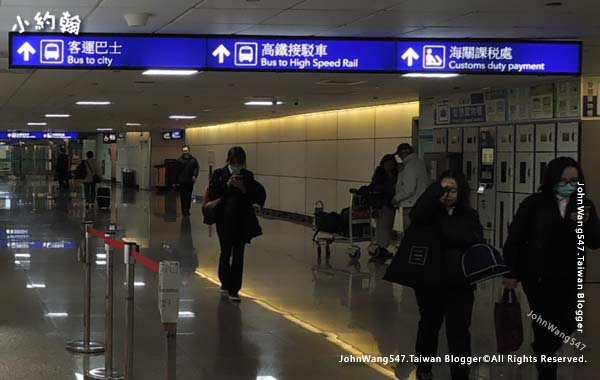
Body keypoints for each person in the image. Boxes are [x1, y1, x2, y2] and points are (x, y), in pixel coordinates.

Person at [503, 157, 600, 380]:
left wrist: (586, 223)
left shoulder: (584, 205)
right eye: (563, 180)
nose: (568, 184)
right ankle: (547, 372)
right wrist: (511, 272)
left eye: (573, 180)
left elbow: (595, 241)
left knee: (568, 322)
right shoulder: (534, 204)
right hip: (538, 277)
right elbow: (515, 239)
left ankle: (543, 349)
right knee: (544, 325)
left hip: (570, 275)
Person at [408, 170, 483, 380]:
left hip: (460, 283)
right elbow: (415, 214)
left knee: (459, 331)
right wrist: (434, 193)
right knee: (429, 325)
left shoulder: (468, 215)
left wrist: (448, 235)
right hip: (429, 282)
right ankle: (424, 368)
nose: (448, 194)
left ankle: (460, 374)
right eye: (444, 189)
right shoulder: (428, 213)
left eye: (453, 190)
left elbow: (474, 239)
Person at [207, 147, 266, 302]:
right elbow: (213, 193)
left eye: (240, 164)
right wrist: (227, 185)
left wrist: (243, 188)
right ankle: (225, 282)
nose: (237, 167)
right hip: (224, 219)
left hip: (242, 219)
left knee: (239, 253)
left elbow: (254, 196)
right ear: (228, 161)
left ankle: (235, 289)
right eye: (234, 164)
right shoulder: (219, 174)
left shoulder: (247, 176)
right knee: (226, 251)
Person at [392, 143, 430, 233]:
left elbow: (409, 189)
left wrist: (396, 199)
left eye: (400, 155)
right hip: (420, 203)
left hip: (411, 204)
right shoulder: (419, 162)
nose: (400, 157)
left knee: (409, 233)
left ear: (404, 152)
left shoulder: (409, 165)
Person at [369, 154, 398, 259]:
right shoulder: (380, 174)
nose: (390, 165)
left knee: (388, 226)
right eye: (387, 163)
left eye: (391, 163)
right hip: (381, 204)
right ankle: (381, 249)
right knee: (382, 227)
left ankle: (382, 248)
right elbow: (375, 189)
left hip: (391, 204)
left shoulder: (396, 174)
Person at [176, 146, 200, 217]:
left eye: (186, 150)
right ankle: (184, 210)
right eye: (184, 151)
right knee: (183, 196)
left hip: (190, 181)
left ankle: (187, 210)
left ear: (189, 151)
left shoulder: (193, 160)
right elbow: (176, 172)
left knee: (189, 196)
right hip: (182, 181)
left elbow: (196, 168)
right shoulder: (179, 161)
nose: (185, 152)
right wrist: (176, 182)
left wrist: (194, 175)